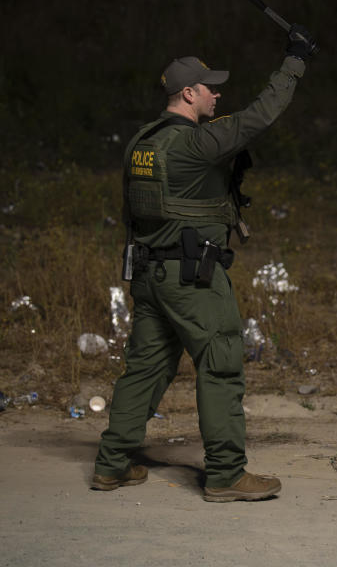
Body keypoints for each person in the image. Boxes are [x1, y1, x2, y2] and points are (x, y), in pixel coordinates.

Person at [92, 25, 315, 502]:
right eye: (210, 87)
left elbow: (134, 212)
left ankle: (111, 465)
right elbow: (259, 117)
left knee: (145, 370)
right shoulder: (196, 143)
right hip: (193, 276)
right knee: (221, 366)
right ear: (188, 93)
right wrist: (294, 61)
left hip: (150, 275)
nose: (218, 93)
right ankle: (226, 475)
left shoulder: (141, 143)